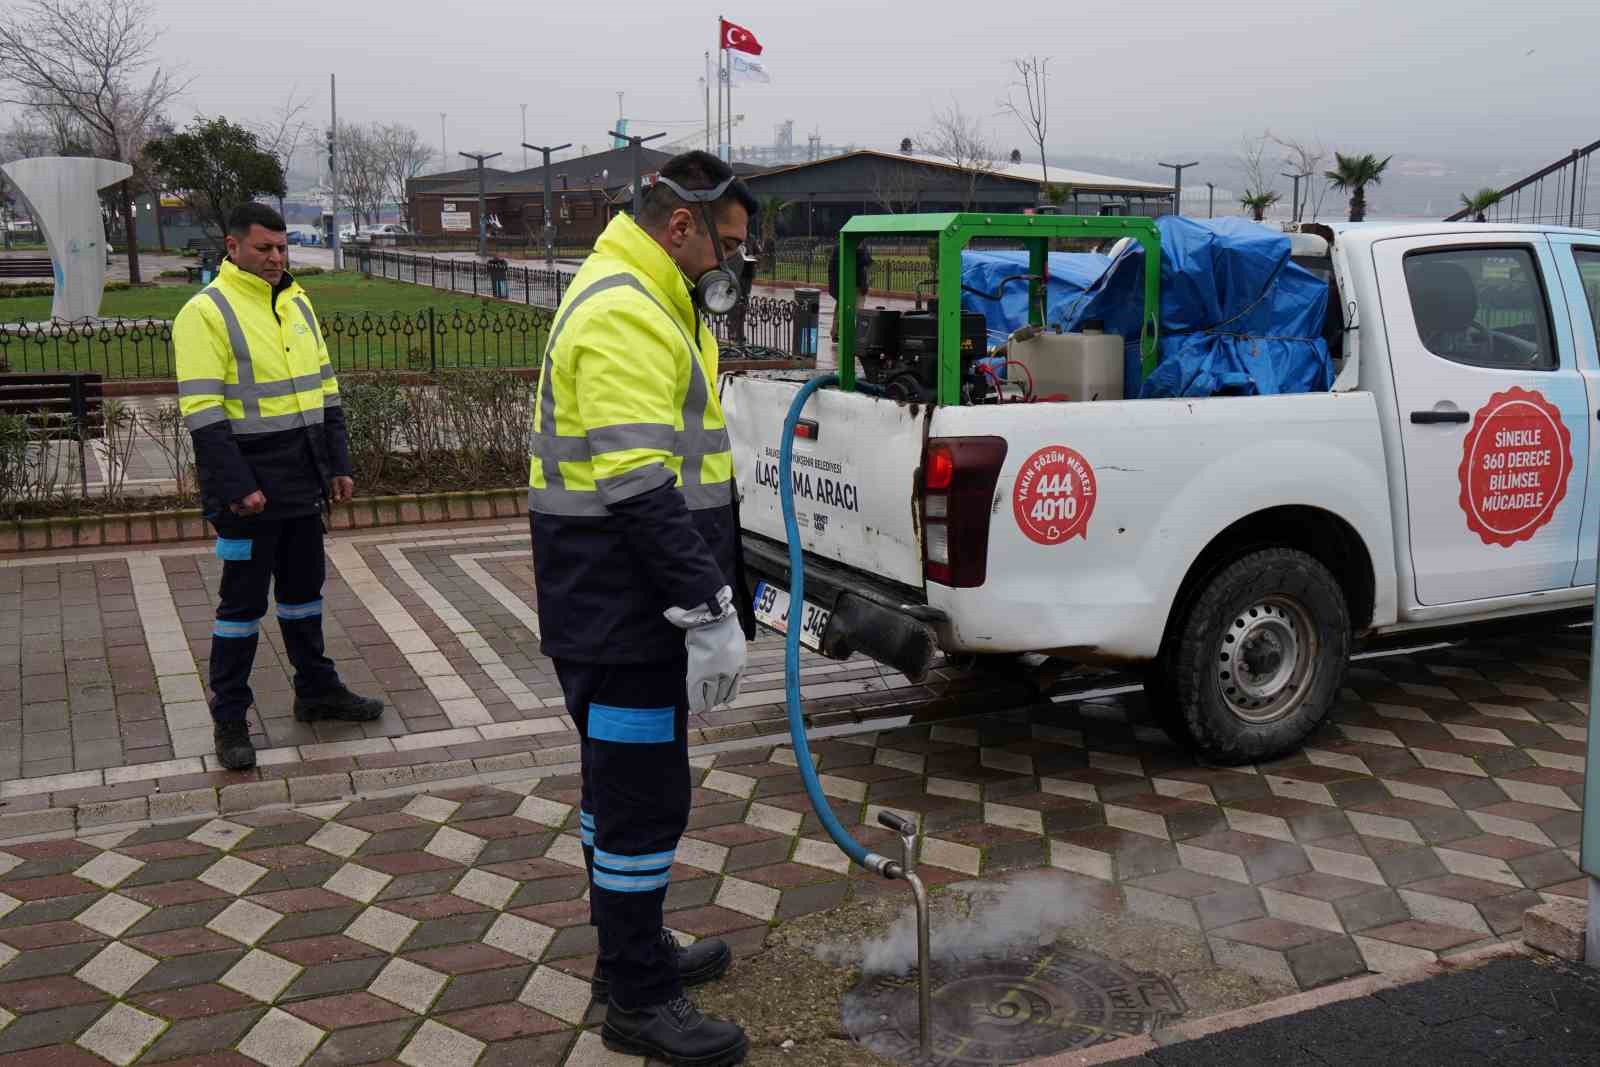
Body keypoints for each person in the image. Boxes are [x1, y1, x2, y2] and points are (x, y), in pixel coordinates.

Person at [528, 150, 756, 1066]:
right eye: (728, 245)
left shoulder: (653, 294)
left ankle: (628, 947)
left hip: (622, 604)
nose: (734, 264)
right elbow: (638, 485)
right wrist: (705, 606)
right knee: (641, 801)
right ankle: (637, 996)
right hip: (626, 610)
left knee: (615, 790)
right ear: (679, 226)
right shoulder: (625, 309)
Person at [175, 203, 384, 772]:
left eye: (282, 248)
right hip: (247, 491)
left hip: (301, 481)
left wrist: (336, 464)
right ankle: (229, 718)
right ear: (233, 246)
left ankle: (316, 691)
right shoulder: (206, 311)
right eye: (264, 248)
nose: (275, 258)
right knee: (241, 608)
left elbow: (326, 391)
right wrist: (238, 486)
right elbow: (203, 412)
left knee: (303, 596)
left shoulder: (297, 302)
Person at [827, 235, 873, 342]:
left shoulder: (843, 247)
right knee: (856, 310)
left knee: (841, 309)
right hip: (848, 285)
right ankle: (849, 334)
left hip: (849, 285)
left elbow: (868, 262)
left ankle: (836, 332)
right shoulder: (844, 248)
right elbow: (864, 261)